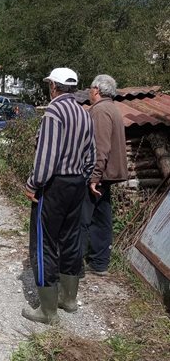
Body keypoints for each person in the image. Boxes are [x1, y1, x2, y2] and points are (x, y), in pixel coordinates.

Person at [22, 67, 96, 325]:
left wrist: (33, 183)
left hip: (53, 185)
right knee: (70, 240)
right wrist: (81, 179)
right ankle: (69, 299)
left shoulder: (54, 111)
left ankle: (47, 310)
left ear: (54, 86)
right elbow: (91, 158)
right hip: (77, 184)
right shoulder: (85, 113)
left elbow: (47, 157)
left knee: (44, 244)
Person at [81, 75, 128, 276]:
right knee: (102, 217)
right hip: (107, 175)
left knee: (83, 218)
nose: (89, 92)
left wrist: (94, 177)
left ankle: (75, 266)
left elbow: (101, 148)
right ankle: (100, 263)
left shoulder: (100, 111)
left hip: (99, 175)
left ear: (97, 90)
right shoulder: (113, 109)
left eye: (90, 88)